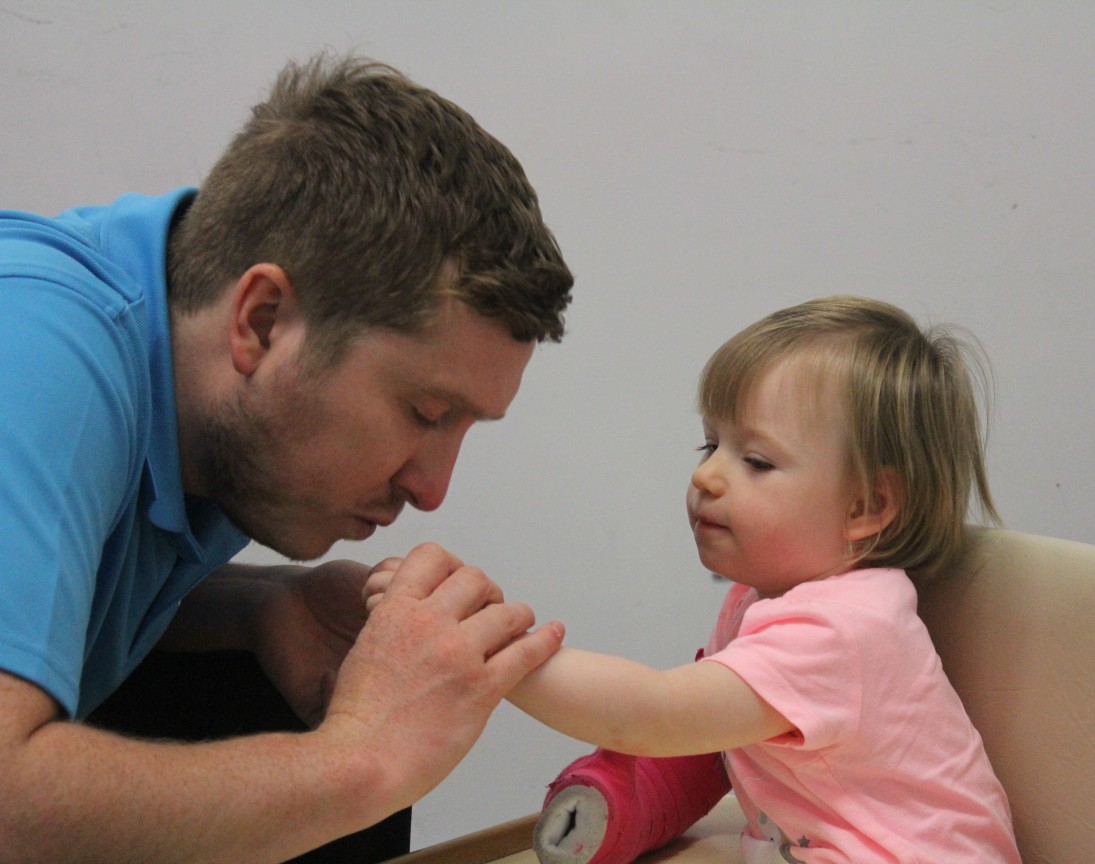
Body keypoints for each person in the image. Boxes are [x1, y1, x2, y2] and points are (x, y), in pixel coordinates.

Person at [0, 53, 572, 863]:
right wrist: (361, 759)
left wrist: (257, 606)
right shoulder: (31, 352)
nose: (433, 487)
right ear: (263, 320)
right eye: (426, 413)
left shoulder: (210, 403)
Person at [475, 297, 1020, 862]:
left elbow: (653, 715)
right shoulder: (762, 603)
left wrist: (490, 652)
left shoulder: (843, 631)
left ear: (866, 505)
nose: (705, 474)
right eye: (711, 445)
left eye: (755, 460)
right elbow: (708, 746)